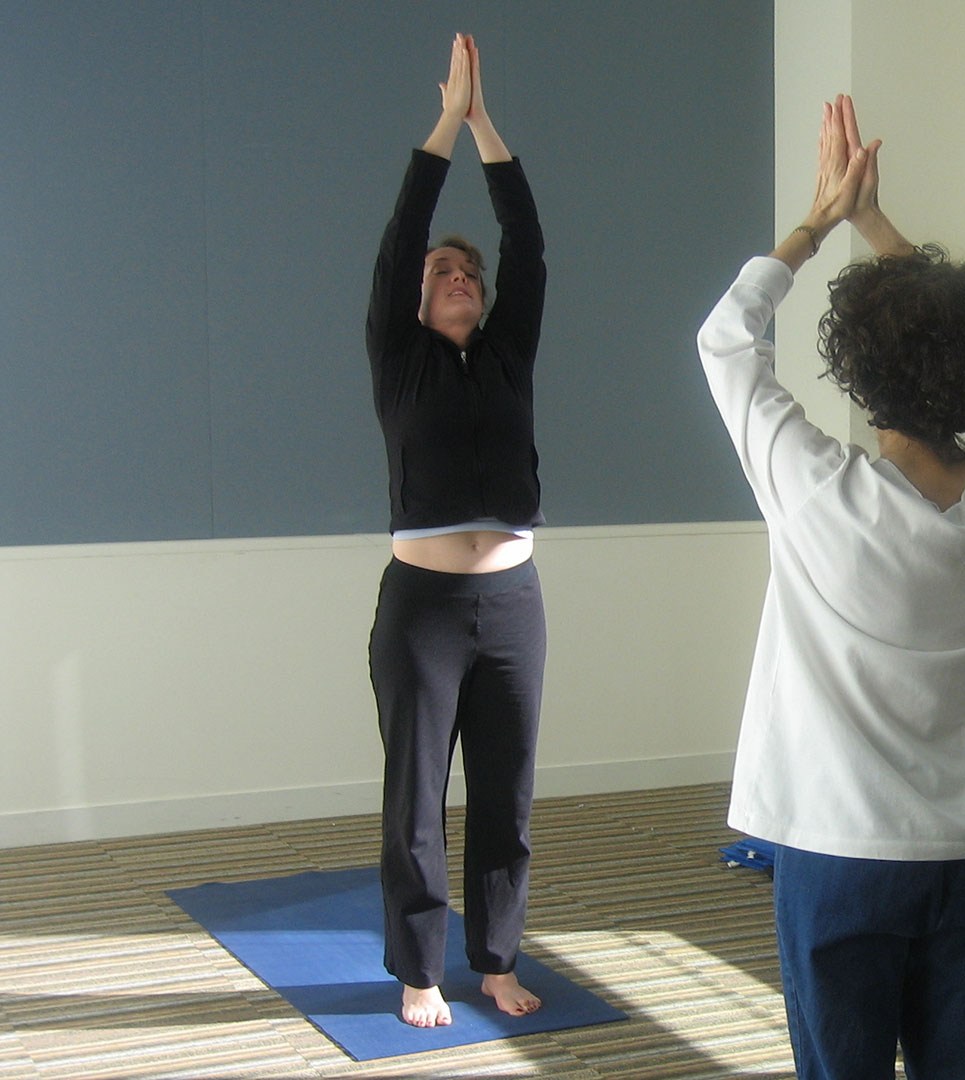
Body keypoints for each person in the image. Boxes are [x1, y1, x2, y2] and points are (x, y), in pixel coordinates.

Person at [696, 95, 965, 1079]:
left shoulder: (815, 492)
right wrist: (879, 229)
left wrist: (821, 221)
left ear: (855, 377)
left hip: (844, 855)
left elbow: (727, 338)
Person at [365, 33, 548, 1028]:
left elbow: (527, 240)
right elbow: (403, 235)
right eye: (443, 272)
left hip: (514, 603)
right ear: (419, 299)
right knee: (417, 802)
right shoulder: (400, 359)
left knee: (506, 798)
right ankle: (420, 968)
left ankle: (496, 958)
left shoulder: (510, 354)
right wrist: (445, 121)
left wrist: (488, 127)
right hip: (425, 609)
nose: (458, 276)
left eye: (466, 271)